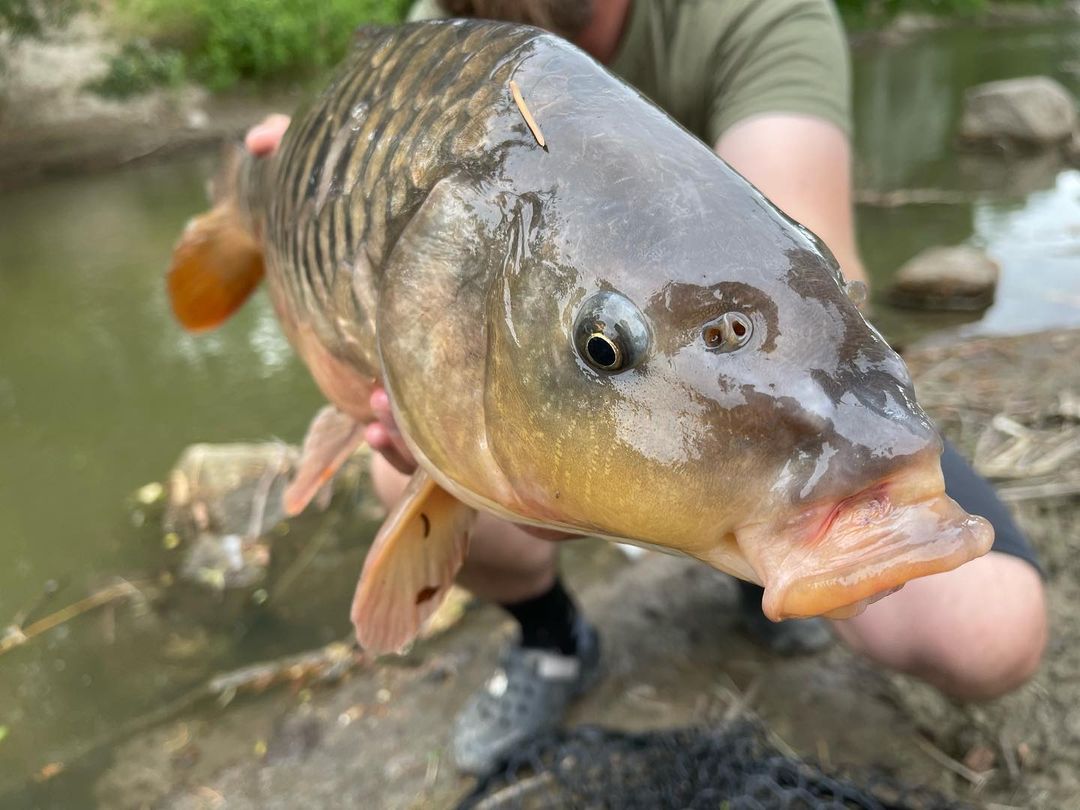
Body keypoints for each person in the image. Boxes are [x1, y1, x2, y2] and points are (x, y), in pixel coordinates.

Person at [245, 0, 1048, 776]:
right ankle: (551, 637)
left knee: (990, 632)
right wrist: (287, 186)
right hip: (593, 407)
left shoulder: (754, 13)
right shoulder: (442, 41)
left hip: (724, 417)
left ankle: (744, 562)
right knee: (403, 462)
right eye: (601, 345)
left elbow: (808, 296)